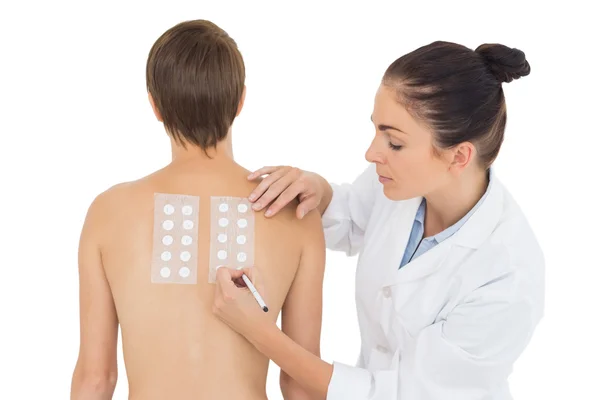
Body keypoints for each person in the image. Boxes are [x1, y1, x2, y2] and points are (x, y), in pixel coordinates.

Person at [212, 41, 545, 399]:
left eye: (394, 143)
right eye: (376, 131)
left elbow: (394, 394)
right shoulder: (404, 184)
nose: (372, 154)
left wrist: (259, 331)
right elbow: (355, 218)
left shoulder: (506, 277)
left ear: (459, 156)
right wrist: (319, 192)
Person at [69, 19, 326, 400]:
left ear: (155, 106)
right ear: (240, 101)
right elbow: (300, 382)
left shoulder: (109, 212)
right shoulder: (292, 213)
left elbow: (97, 379)